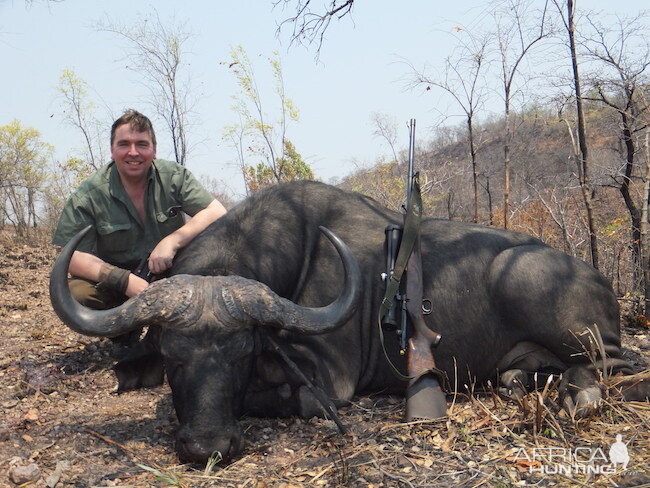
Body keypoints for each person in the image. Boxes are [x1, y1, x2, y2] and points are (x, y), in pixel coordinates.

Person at [53, 109, 227, 333]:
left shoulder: (174, 176)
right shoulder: (88, 194)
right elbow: (72, 257)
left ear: (153, 150)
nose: (133, 152)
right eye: (124, 144)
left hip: (175, 275)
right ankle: (124, 331)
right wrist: (123, 281)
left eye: (142, 145)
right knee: (77, 294)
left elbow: (216, 211)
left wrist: (172, 241)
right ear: (112, 150)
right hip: (119, 285)